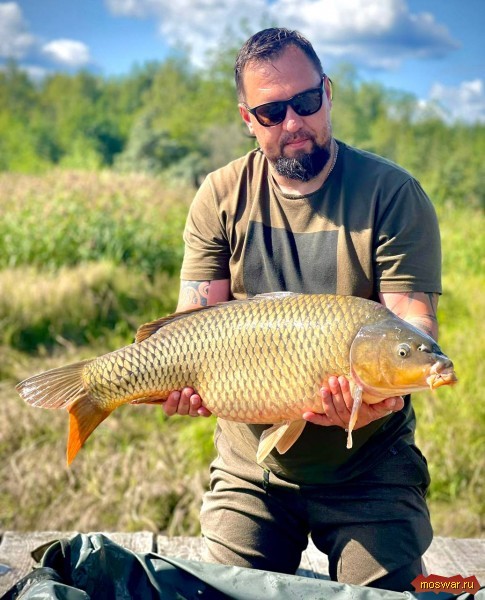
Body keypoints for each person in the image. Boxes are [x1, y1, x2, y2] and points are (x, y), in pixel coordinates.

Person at [161, 27, 442, 592]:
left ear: (328, 93)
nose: (293, 122)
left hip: (370, 467)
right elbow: (194, 324)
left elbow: (412, 323)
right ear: (249, 119)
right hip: (253, 465)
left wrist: (381, 400)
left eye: (307, 101)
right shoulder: (220, 195)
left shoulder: (392, 193)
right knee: (225, 592)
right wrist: (178, 382)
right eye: (272, 112)